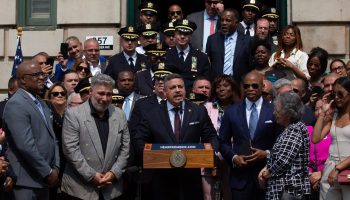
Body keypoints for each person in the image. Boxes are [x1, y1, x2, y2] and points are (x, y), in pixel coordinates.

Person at [134, 73, 219, 200]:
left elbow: (211, 136)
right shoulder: (152, 114)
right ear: (165, 92)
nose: (178, 90)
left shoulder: (198, 111)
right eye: (173, 87)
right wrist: (151, 157)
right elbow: (139, 140)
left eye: (181, 86)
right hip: (162, 179)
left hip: (191, 179)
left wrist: (210, 153)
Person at [60, 74, 130, 200]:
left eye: (109, 94)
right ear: (91, 92)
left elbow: (125, 149)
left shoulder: (119, 115)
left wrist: (114, 173)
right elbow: (70, 150)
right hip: (80, 190)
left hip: (111, 188)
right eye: (101, 93)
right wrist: (91, 176)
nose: (105, 98)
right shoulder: (74, 114)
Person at [3, 61, 60, 199]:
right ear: (23, 79)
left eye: (43, 74)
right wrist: (47, 172)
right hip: (26, 181)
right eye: (36, 75)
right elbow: (25, 145)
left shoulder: (41, 103)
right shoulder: (16, 104)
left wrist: (56, 168)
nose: (42, 77)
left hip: (45, 180)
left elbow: (53, 139)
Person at [220, 71, 279, 200]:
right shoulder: (231, 112)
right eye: (246, 86)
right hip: (240, 178)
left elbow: (281, 142)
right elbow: (223, 142)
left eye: (254, 86)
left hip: (266, 176)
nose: (250, 89)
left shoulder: (275, 111)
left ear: (262, 86)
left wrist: (266, 153)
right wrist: (234, 157)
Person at [258, 92, 311, 200]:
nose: (274, 113)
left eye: (277, 110)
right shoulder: (290, 128)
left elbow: (283, 160)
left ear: (288, 113)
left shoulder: (294, 130)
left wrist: (266, 174)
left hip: (287, 191)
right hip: (285, 190)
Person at [202, 75, 241, 200]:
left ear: (233, 88)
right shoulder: (207, 107)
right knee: (209, 196)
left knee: (229, 193)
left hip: (232, 156)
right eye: (218, 87)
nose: (221, 89)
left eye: (225, 86)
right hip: (210, 155)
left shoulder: (240, 108)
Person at [312, 76, 350, 199]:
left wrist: (338, 168)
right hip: (331, 167)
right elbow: (316, 138)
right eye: (334, 94)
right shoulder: (334, 115)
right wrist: (323, 113)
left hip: (347, 169)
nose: (337, 98)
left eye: (341, 94)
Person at [206, 8, 252, 84]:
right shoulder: (212, 39)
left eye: (228, 20)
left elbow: (250, 65)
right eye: (222, 20)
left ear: (236, 23)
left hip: (238, 86)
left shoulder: (247, 41)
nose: (224, 23)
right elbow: (207, 64)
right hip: (216, 85)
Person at [165, 19, 210, 93]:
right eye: (179, 33)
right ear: (175, 34)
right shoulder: (166, 55)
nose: (182, 36)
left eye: (186, 34)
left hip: (193, 99)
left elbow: (205, 82)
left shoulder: (201, 57)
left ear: (191, 36)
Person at [45, 83, 68, 200]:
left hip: (68, 162)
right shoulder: (45, 115)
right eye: (55, 94)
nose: (60, 95)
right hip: (52, 161)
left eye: (62, 93)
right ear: (49, 97)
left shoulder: (71, 115)